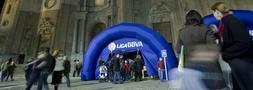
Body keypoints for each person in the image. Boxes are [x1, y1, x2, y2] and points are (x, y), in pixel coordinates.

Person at [176, 10, 226, 89]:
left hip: (190, 67)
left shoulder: (182, 32)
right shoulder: (205, 29)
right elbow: (213, 47)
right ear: (199, 18)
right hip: (208, 65)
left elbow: (178, 49)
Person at [211, 2, 253, 90]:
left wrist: (225, 54)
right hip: (236, 63)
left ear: (218, 12)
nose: (213, 15)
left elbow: (243, 43)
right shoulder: (224, 23)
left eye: (213, 12)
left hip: (242, 62)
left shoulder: (232, 21)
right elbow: (229, 40)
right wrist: (217, 35)